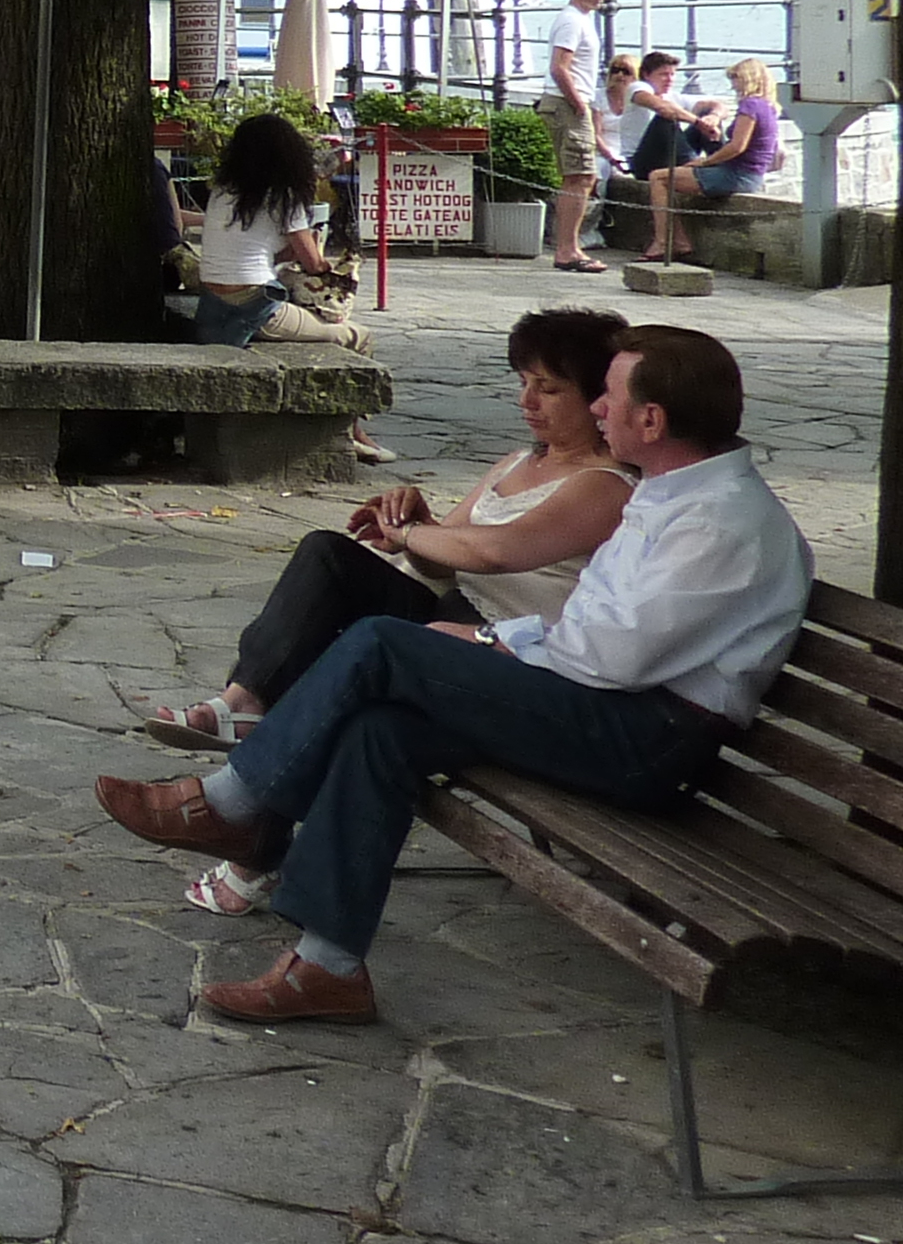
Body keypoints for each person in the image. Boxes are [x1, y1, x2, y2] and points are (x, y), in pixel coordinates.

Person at [93, 324, 811, 1024]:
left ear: (651, 419)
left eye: (609, 396)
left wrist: (488, 638)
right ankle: (328, 967)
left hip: (644, 737)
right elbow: (594, 633)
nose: (596, 408)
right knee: (382, 730)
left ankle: (230, 804)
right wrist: (492, 636)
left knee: (384, 644)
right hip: (604, 704)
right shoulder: (675, 490)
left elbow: (611, 657)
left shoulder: (719, 521)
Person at [136, 306, 635, 910]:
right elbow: (444, 557)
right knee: (328, 557)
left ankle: (251, 842)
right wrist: (413, 521)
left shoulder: (602, 484)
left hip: (503, 648)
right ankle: (243, 706)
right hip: (455, 608)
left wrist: (411, 538)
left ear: (598, 401)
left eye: (549, 389)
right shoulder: (519, 462)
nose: (529, 400)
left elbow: (495, 552)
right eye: (524, 381)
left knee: (343, 689)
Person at [190, 113, 363, 354]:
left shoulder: (222, 191)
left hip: (212, 303)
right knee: (357, 336)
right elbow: (313, 265)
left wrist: (286, 254)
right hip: (257, 305)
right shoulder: (285, 195)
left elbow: (247, 252)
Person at [661, 60, 782, 242]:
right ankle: (675, 240)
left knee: (659, 178)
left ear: (748, 78)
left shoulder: (750, 105)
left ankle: (669, 241)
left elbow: (737, 146)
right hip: (752, 174)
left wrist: (705, 162)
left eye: (735, 77)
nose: (732, 84)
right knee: (678, 176)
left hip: (738, 174)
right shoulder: (769, 107)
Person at [542, 0, 611, 272]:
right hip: (567, 103)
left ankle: (569, 246)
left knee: (582, 176)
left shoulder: (581, 20)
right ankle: (568, 249)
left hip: (570, 102)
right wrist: (579, 104)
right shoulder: (572, 21)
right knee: (580, 175)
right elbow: (560, 66)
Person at [619, 51, 710, 256]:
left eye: (672, 74)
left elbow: (713, 104)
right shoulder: (637, 89)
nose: (669, 79)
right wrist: (697, 122)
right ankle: (696, 164)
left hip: (665, 157)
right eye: (663, 74)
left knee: (705, 116)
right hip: (642, 160)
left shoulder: (674, 97)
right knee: (666, 119)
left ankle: (720, 164)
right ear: (647, 75)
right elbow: (661, 108)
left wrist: (711, 118)